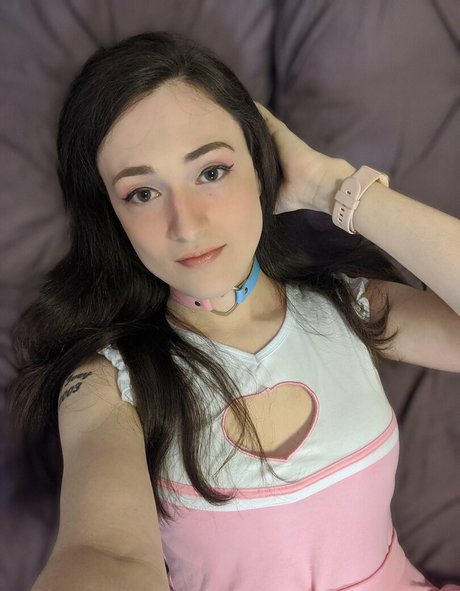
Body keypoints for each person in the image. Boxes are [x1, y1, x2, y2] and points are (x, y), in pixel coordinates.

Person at [7, 31, 460, 591]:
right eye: (142, 193)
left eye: (211, 172)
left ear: (259, 163)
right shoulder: (107, 384)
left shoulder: (349, 304)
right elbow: (105, 550)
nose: (187, 224)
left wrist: (329, 186)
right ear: (112, 217)